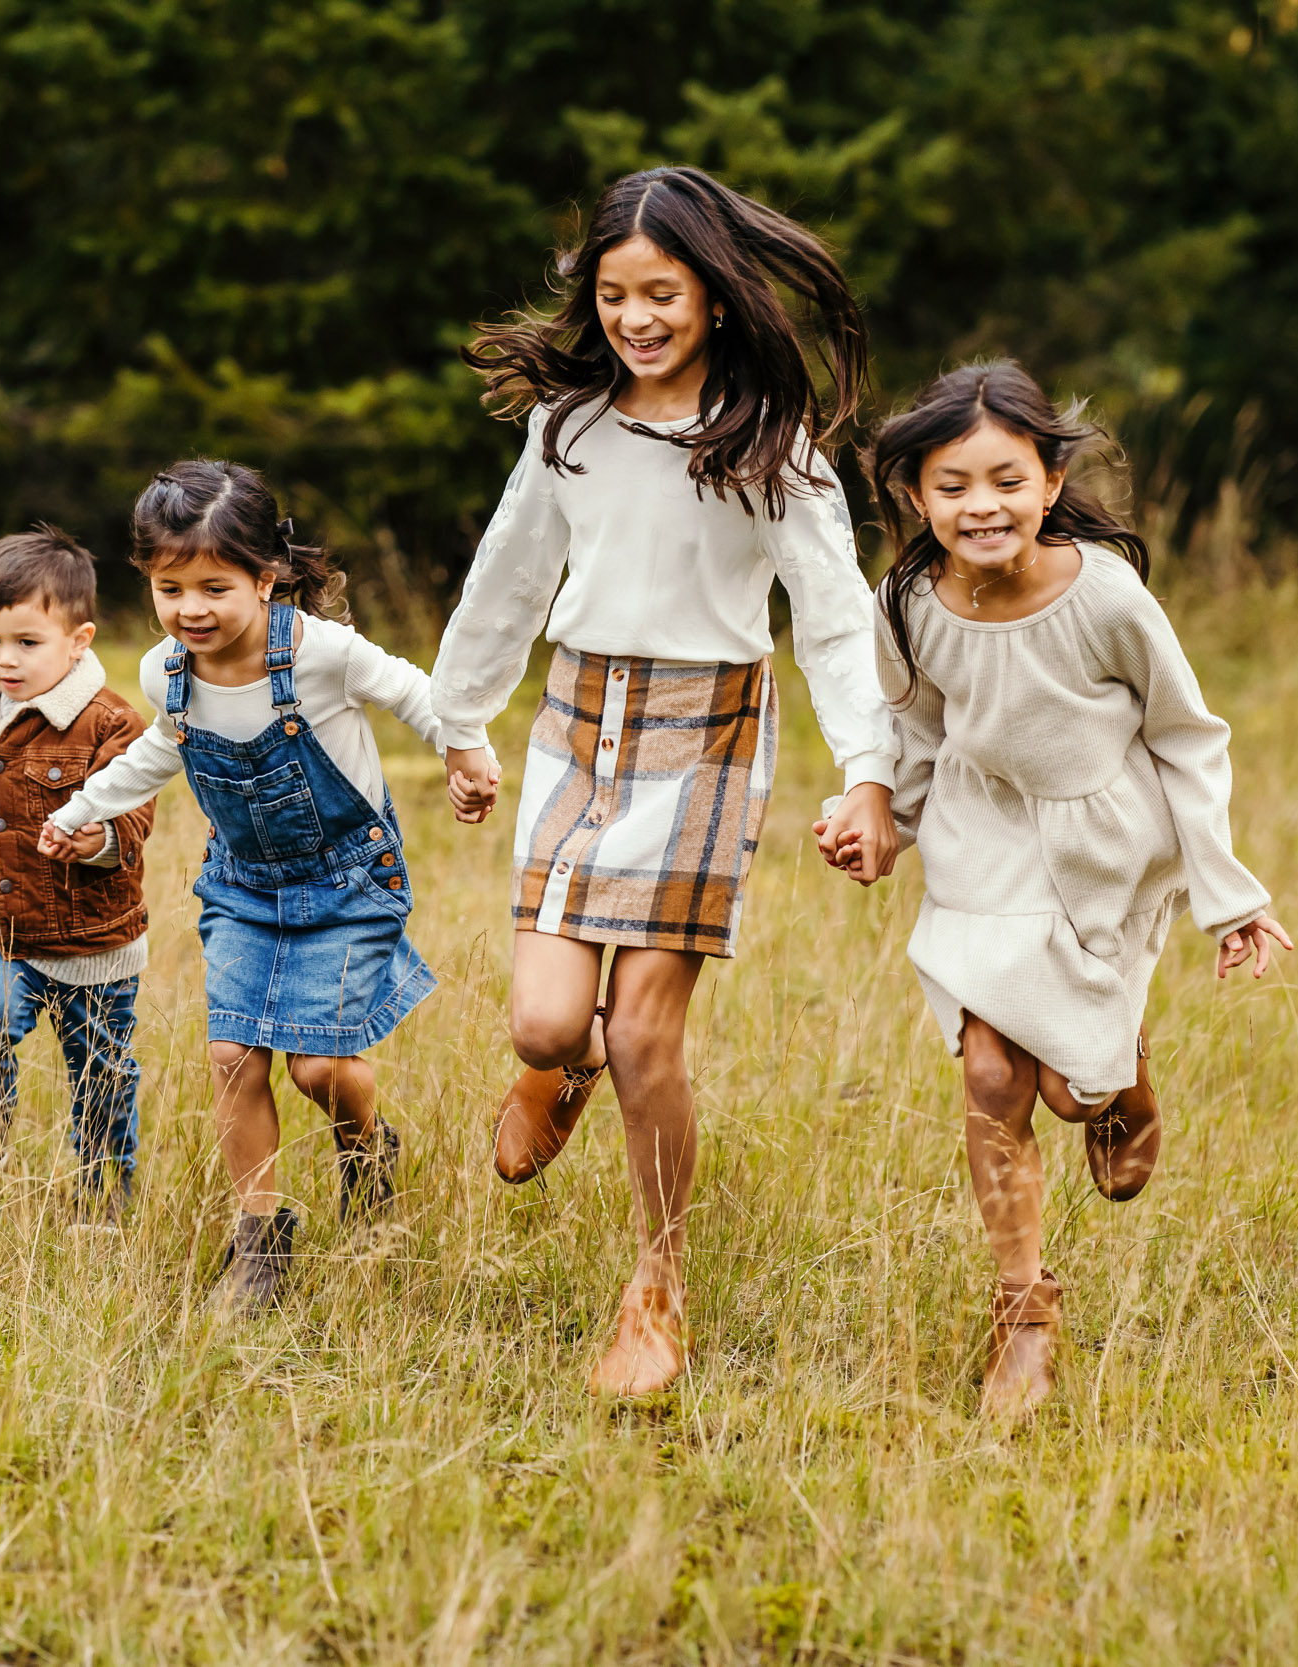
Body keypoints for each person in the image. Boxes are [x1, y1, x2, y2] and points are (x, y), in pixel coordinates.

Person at [431, 165, 900, 1396]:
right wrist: (459, 719)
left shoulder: (768, 440)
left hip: (707, 732)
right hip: (581, 722)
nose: (638, 318)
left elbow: (836, 616)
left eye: (664, 294)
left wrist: (868, 773)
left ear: (715, 296)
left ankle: (656, 1284)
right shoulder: (566, 429)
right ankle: (560, 1068)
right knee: (547, 1020)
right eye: (616, 293)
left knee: (646, 1033)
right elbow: (507, 576)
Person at [820, 360, 1292, 1417]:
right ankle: (1022, 1310)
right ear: (913, 495)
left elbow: (1187, 736)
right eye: (950, 486)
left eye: (1002, 480)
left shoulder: (1106, 597)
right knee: (990, 1074)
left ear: (1047, 479)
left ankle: (1115, 1076)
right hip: (981, 845)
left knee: (1066, 1090)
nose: (978, 506)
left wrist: (1227, 893)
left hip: (1102, 854)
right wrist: (881, 822)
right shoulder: (907, 601)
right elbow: (917, 731)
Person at [41, 462, 468, 1314]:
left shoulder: (318, 652)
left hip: (348, 880)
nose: (191, 608)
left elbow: (417, 690)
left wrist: (466, 751)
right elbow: (163, 748)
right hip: (242, 889)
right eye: (170, 587)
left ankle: (367, 1147)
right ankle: (260, 1242)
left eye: (213, 586)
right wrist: (86, 807)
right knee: (232, 1056)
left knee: (319, 1068)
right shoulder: (171, 671)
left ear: (264, 578)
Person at [0, 525, 159, 1227]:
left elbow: (136, 818)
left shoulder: (112, 724)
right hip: (5, 932)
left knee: (102, 1076)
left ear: (78, 639)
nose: (5, 659)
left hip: (94, 941)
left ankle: (104, 1190)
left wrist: (100, 839)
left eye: (28, 642)